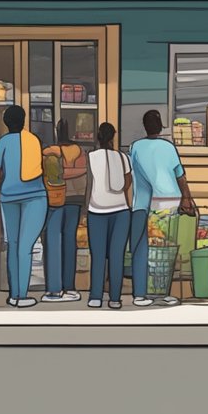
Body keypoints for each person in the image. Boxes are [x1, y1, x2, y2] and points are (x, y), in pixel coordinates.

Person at [128, 111, 196, 307]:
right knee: (165, 250)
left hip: (142, 203)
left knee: (143, 249)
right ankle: (163, 292)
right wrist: (187, 198)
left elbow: (131, 174)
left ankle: (142, 293)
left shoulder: (135, 147)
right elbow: (180, 176)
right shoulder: (168, 147)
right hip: (169, 202)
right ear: (159, 126)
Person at [0, 105, 48, 308]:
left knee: (13, 245)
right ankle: (22, 295)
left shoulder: (3, 141)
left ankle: (14, 294)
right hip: (35, 197)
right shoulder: (34, 140)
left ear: (6, 123)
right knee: (26, 246)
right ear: (24, 120)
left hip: (8, 196)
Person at [86, 123, 132, 309]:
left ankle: (96, 296)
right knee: (116, 256)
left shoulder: (90, 157)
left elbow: (87, 185)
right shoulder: (123, 157)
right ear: (114, 136)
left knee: (97, 256)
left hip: (96, 210)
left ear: (97, 137)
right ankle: (115, 298)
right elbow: (127, 182)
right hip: (121, 210)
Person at [42, 119, 87, 303]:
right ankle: (69, 287)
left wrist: (62, 173)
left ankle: (54, 288)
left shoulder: (53, 151)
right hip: (76, 199)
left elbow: (45, 158)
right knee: (70, 240)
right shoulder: (80, 151)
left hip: (57, 198)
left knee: (53, 239)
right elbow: (84, 170)